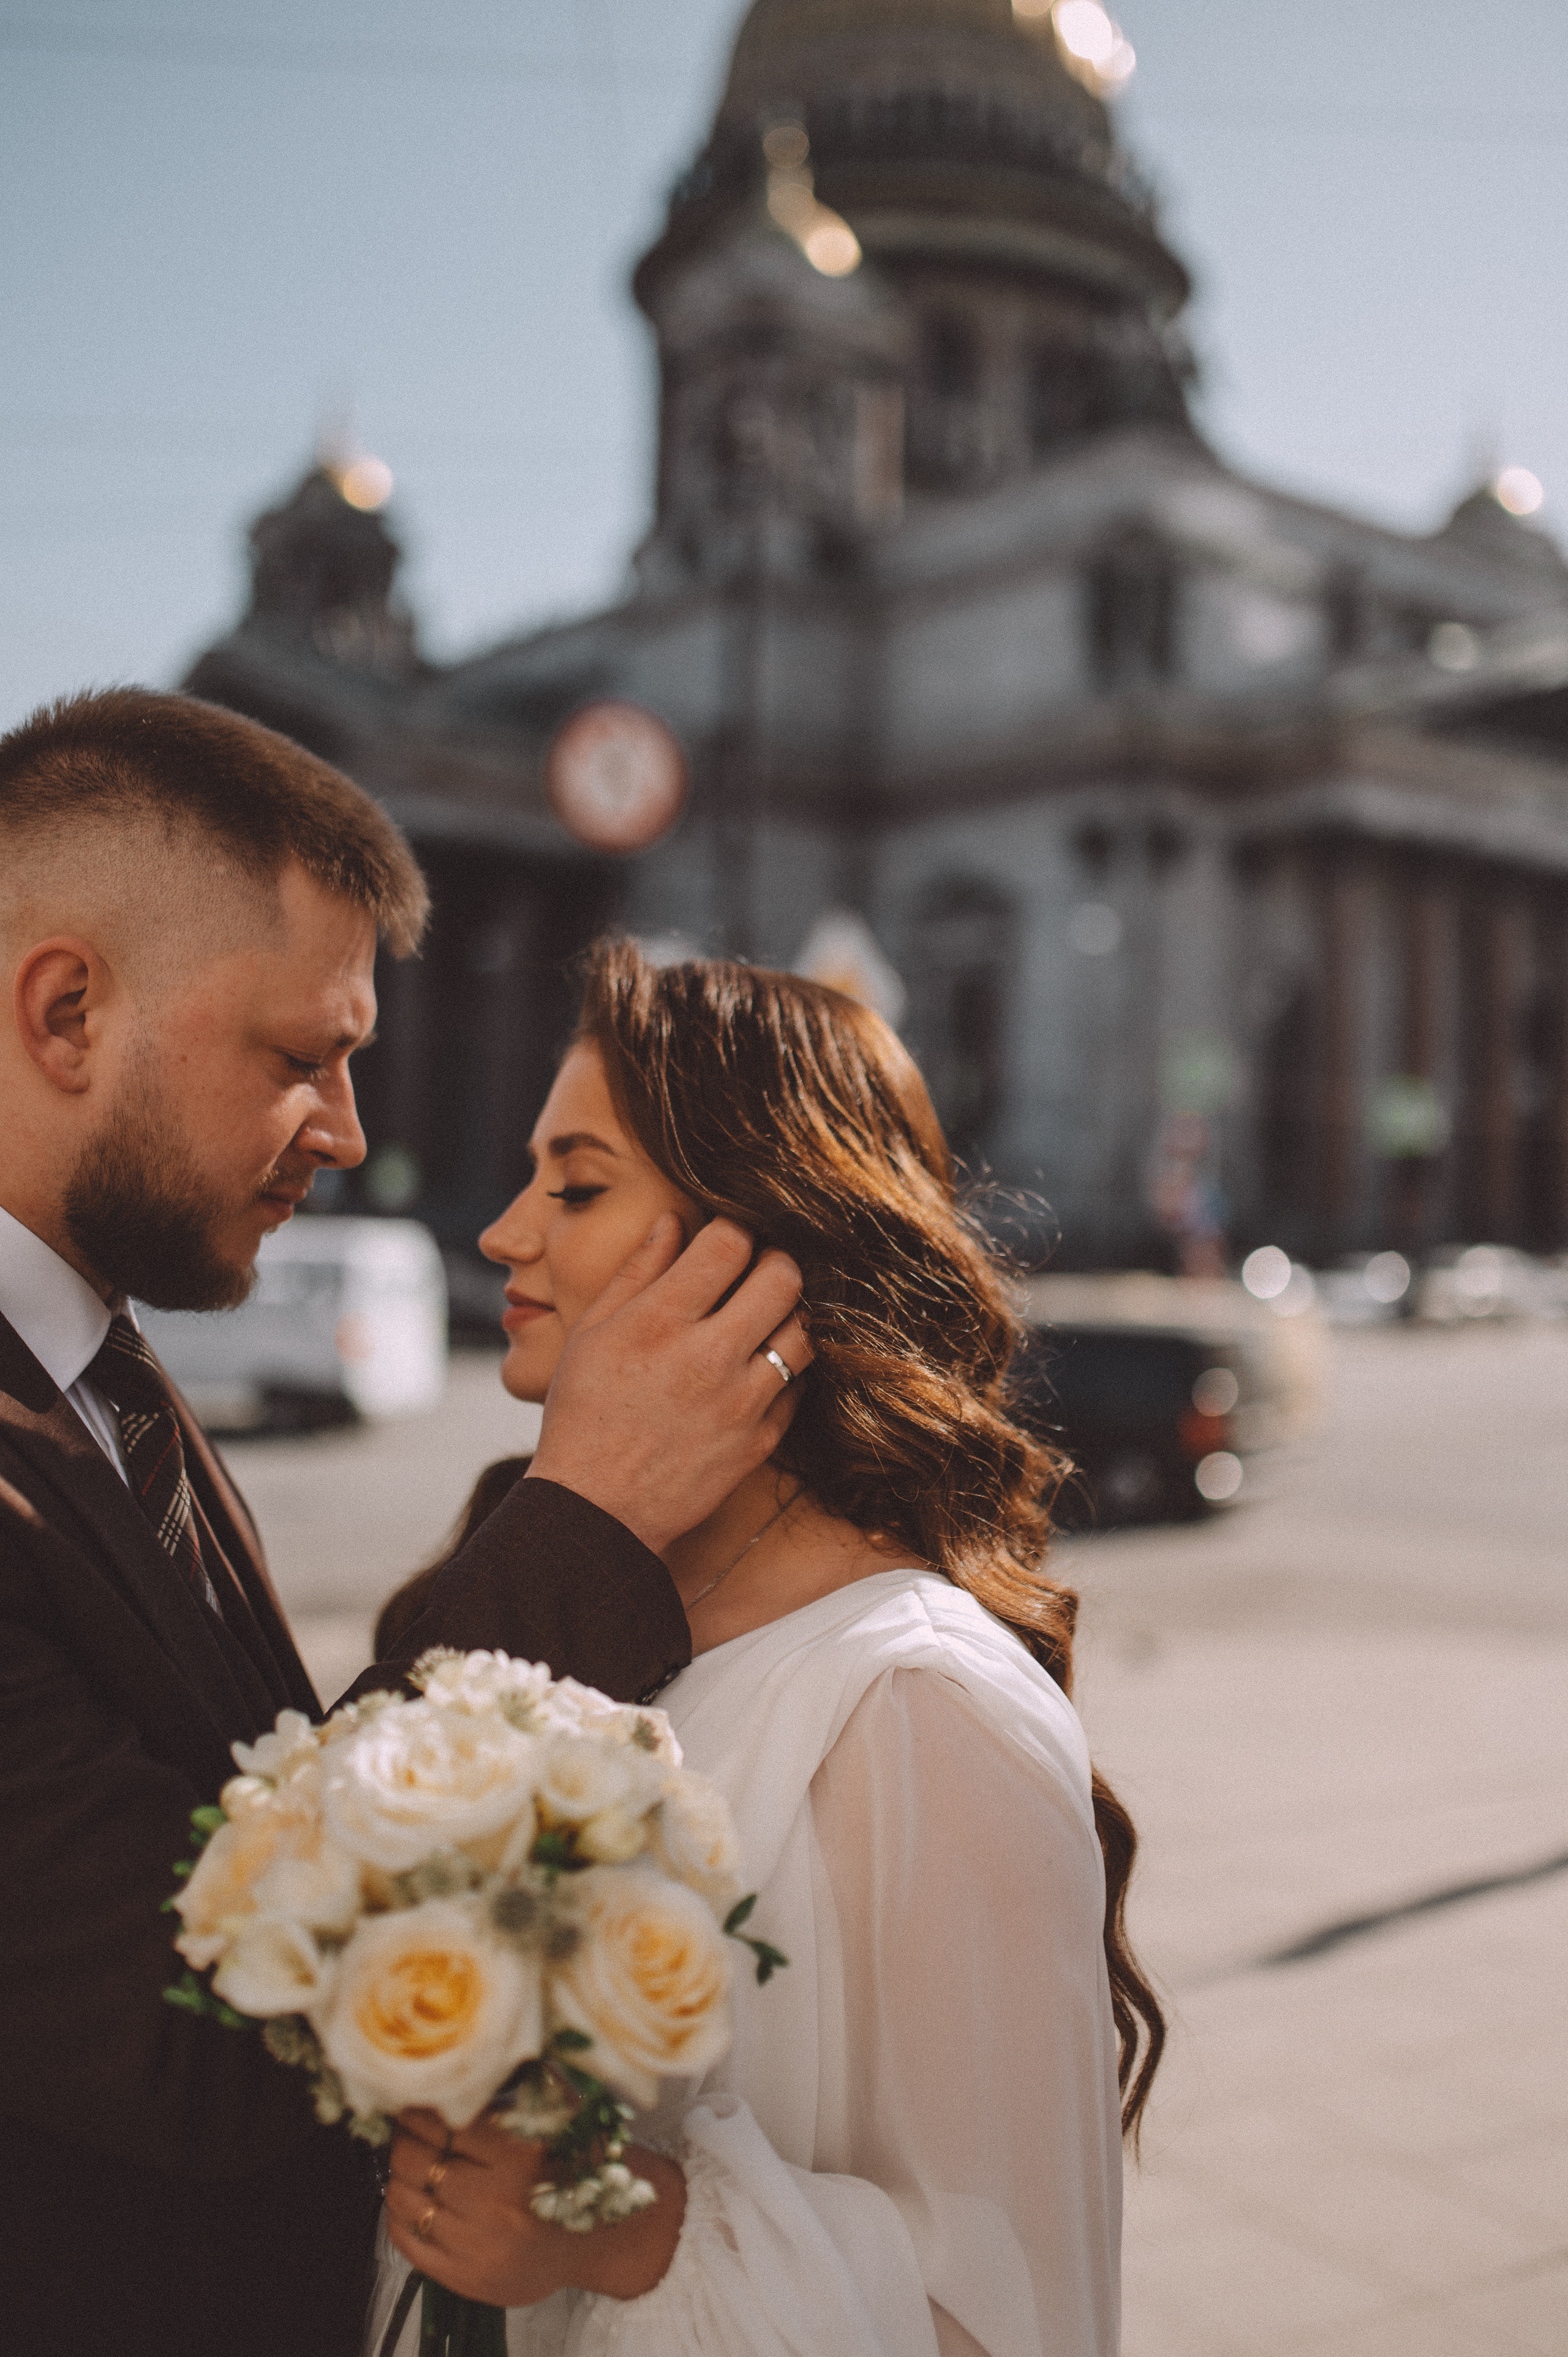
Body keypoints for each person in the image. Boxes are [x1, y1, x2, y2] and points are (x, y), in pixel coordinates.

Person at [0, 692, 807, 2357]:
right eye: (300, 1059)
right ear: (67, 1010)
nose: (352, 1132)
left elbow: (248, 1779)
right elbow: (201, 2019)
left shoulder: (105, 1365)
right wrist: (584, 1518)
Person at [370, 940, 1164, 2356]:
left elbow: (1014, 2319)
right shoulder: (571, 1598)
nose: (503, 1232)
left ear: (758, 1242)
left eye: (576, 1184)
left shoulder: (921, 1705)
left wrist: (626, 2234)